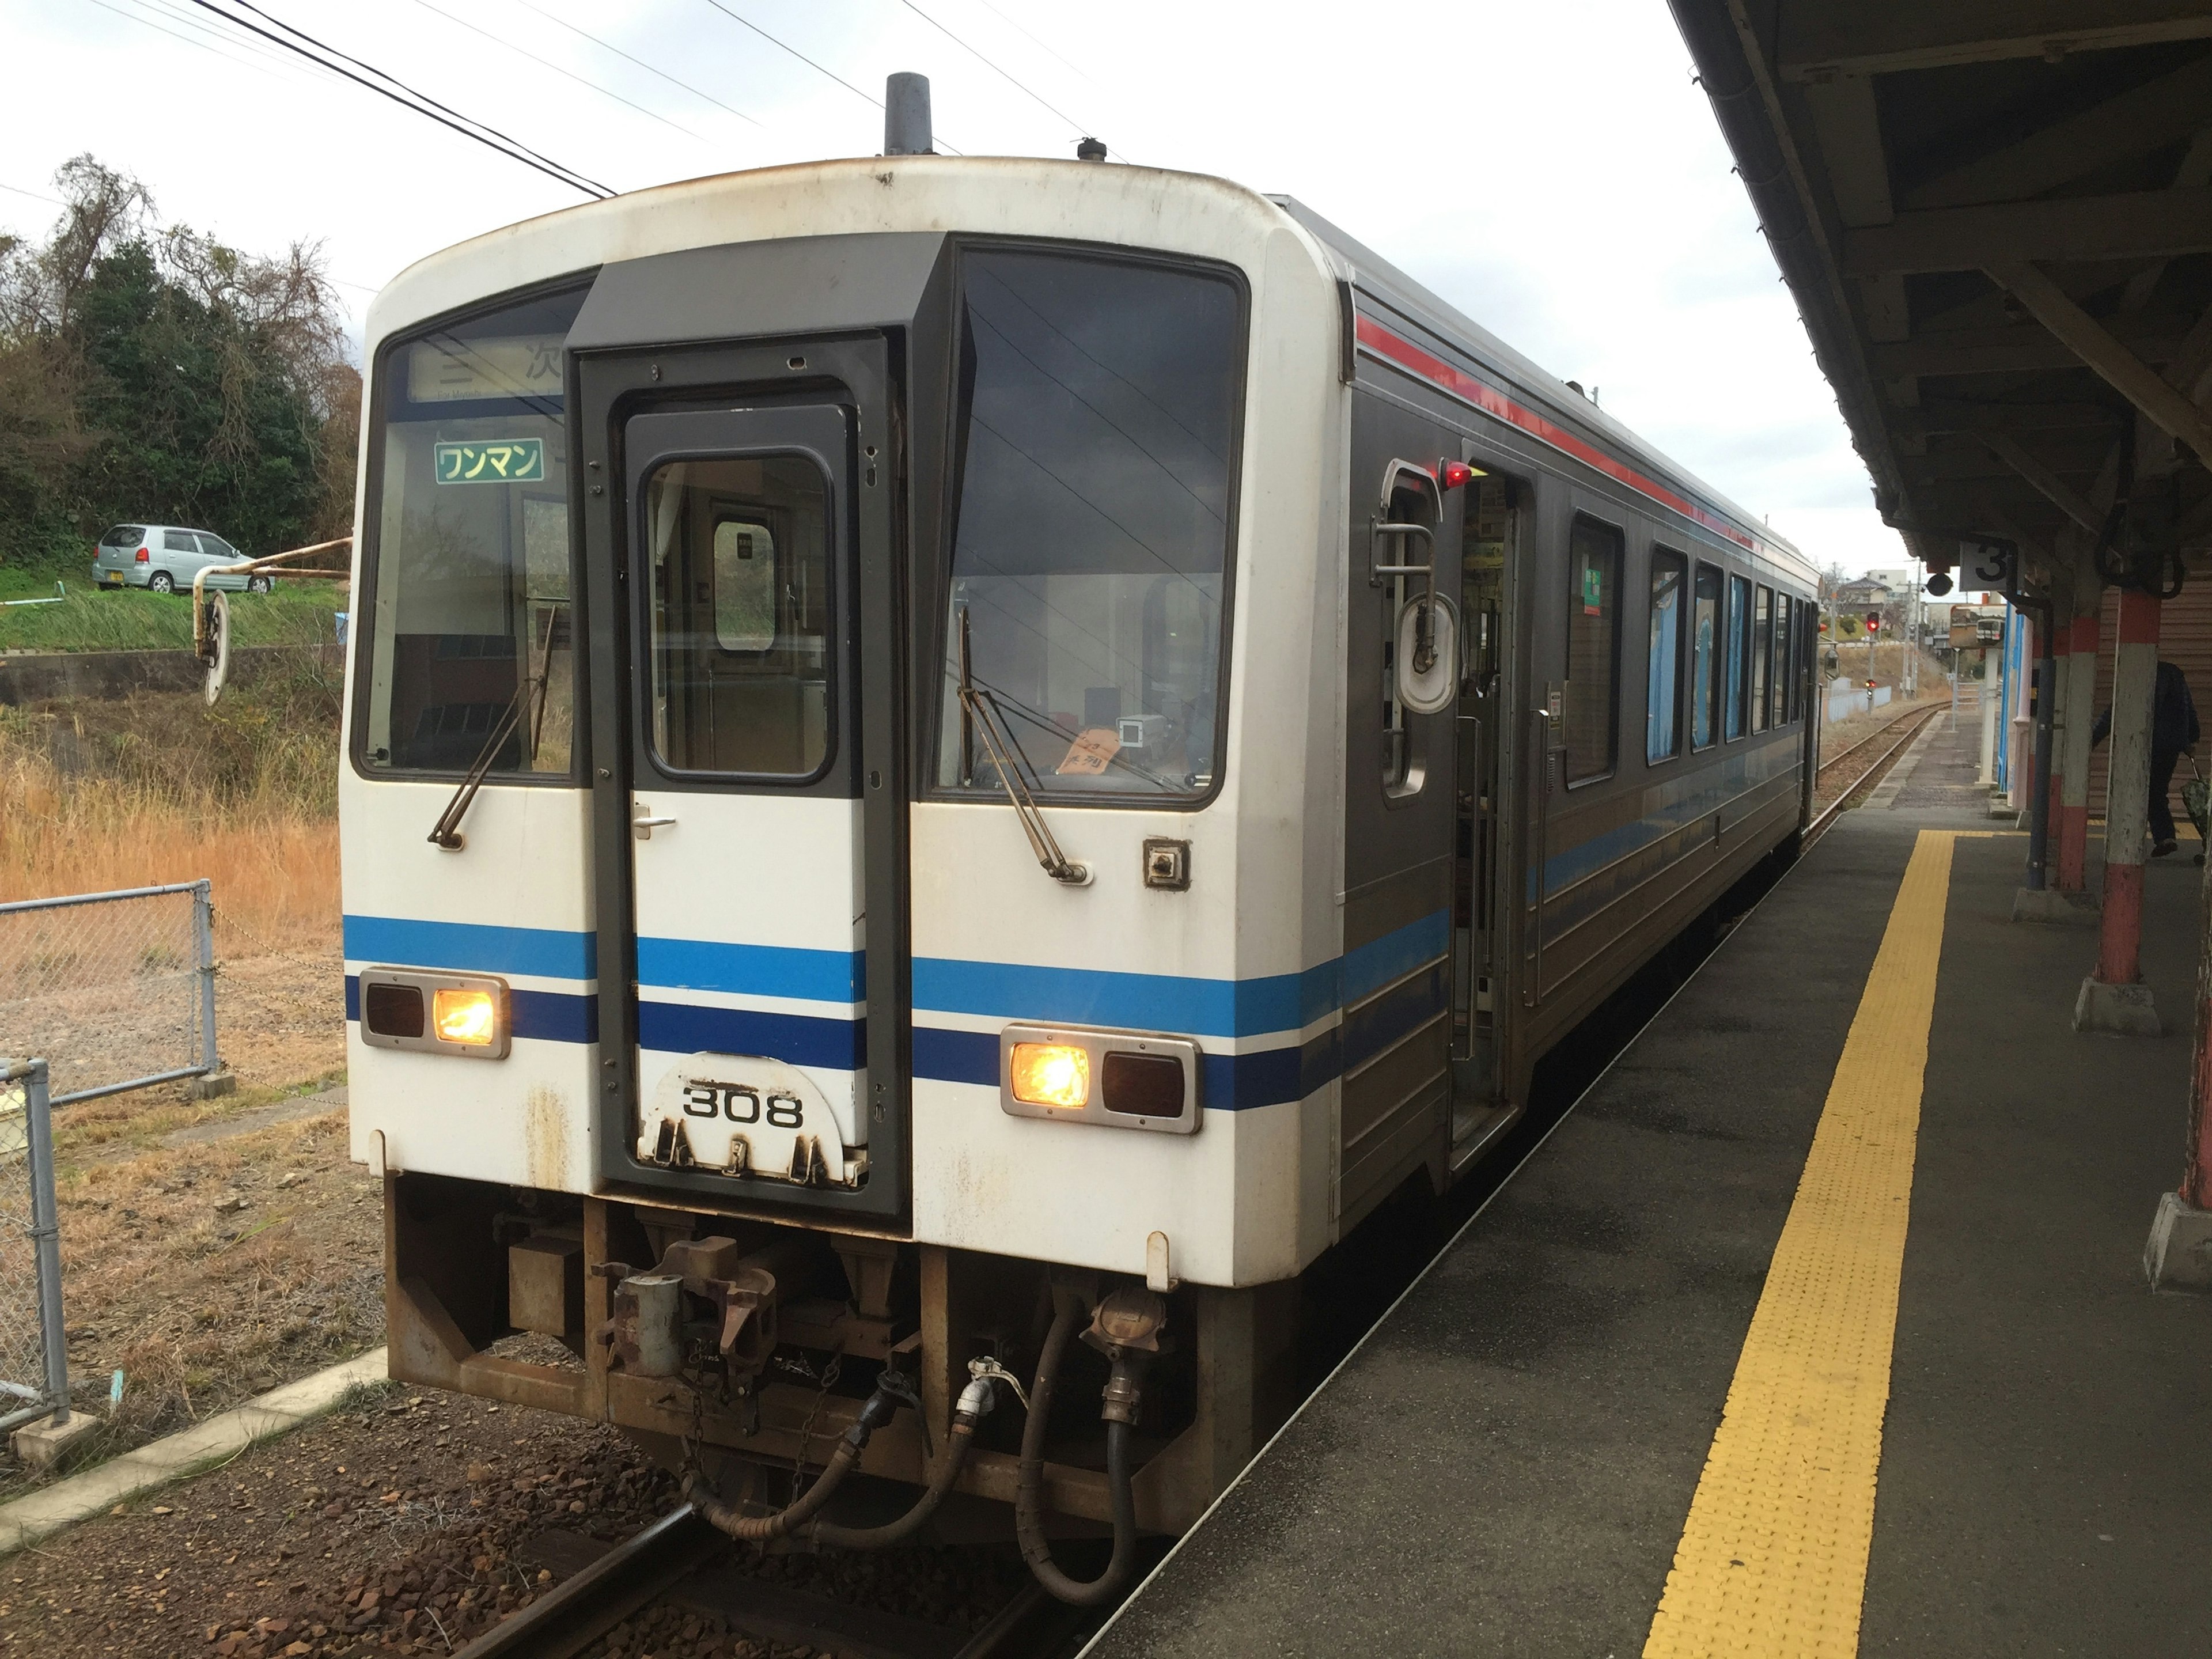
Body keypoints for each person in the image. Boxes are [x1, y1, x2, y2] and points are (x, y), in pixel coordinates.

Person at [2091, 659, 2201, 857]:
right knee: (2157, 790)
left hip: (2143, 742)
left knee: (2132, 788)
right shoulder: (2176, 677)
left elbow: (2114, 710)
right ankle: (2165, 836)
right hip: (2172, 745)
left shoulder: (2138, 678)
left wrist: (2092, 740)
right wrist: (2191, 739)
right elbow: (2188, 708)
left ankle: (2131, 835)